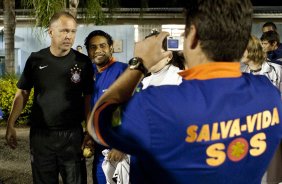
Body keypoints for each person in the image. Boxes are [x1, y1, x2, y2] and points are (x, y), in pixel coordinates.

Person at [88, 1, 282, 184]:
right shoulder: (269, 94)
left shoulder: (157, 105)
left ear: (194, 37)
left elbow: (97, 123)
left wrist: (139, 63)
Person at [5, 11, 93, 184]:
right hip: (41, 137)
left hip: (72, 136)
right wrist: (10, 124)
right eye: (64, 30)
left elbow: (88, 97)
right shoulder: (36, 59)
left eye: (73, 31)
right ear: (50, 31)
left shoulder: (83, 62)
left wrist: (89, 130)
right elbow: (22, 92)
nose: (69, 36)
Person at [83, 30, 128, 184]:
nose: (98, 50)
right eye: (93, 47)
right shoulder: (89, 74)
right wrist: (89, 134)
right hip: (100, 148)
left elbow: (132, 109)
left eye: (102, 46)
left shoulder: (124, 71)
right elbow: (90, 106)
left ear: (111, 48)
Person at [241, 35, 282, 184]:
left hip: (272, 124)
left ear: (251, 50)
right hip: (250, 127)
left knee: (272, 171)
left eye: (242, 49)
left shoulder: (276, 70)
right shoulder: (240, 72)